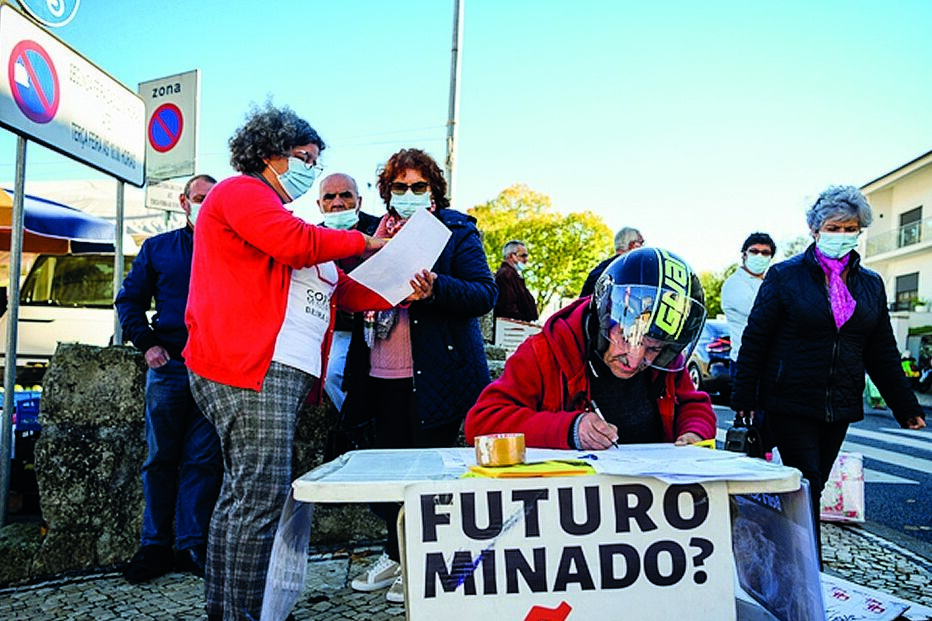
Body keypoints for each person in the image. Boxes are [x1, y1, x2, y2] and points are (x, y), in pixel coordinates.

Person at [183, 103, 432, 621]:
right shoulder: (242, 193)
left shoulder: (279, 216)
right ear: (270, 153)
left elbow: (343, 289)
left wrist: (400, 286)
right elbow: (296, 246)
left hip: (279, 373)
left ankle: (233, 609)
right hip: (252, 367)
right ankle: (242, 614)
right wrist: (367, 239)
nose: (311, 170)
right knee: (257, 499)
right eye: (305, 158)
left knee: (249, 497)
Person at [731, 185, 926, 561]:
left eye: (849, 227)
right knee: (808, 481)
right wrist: (744, 399)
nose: (841, 235)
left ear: (859, 231)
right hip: (789, 398)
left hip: (840, 403)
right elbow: (756, 339)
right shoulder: (785, 277)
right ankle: (810, 569)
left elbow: (881, 349)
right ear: (815, 230)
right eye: (833, 227)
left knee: (809, 484)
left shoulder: (870, 284)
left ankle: (787, 559)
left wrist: (905, 406)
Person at [344, 148, 497, 604]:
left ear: (434, 190)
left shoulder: (455, 230)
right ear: (386, 192)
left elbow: (483, 293)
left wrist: (434, 290)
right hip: (379, 373)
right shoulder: (373, 234)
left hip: (437, 374)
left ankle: (418, 561)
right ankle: (395, 553)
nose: (408, 194)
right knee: (388, 473)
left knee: (427, 475)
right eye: (399, 187)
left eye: (418, 186)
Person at [466, 247, 715, 451]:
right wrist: (569, 430)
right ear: (603, 316)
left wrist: (693, 434)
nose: (635, 359)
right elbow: (482, 422)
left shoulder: (665, 361)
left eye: (653, 348)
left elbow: (694, 406)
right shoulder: (544, 350)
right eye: (627, 336)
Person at [115, 174, 222, 583]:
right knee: (160, 458)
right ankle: (154, 545)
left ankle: (192, 545)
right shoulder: (158, 248)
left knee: (204, 460)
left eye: (212, 199)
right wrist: (146, 343)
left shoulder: (233, 249)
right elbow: (129, 299)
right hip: (170, 366)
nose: (205, 205)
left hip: (215, 369)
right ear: (184, 201)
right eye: (199, 198)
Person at [316, 173, 380, 414]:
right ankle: (357, 420)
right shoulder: (313, 237)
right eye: (329, 197)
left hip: (383, 324)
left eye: (345, 195)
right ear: (320, 205)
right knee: (332, 374)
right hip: (338, 329)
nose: (337, 202)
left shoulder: (380, 229)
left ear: (359, 201)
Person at [721, 232, 776, 450]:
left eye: (765, 253)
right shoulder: (734, 284)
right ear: (743, 255)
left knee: (771, 429)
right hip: (747, 365)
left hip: (770, 365)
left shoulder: (771, 282)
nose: (759, 256)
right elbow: (768, 313)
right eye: (754, 251)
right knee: (755, 428)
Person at [579, 226, 644, 297]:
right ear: (632, 245)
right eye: (641, 243)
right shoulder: (630, 269)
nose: (643, 247)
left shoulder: (599, 269)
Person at [493, 239, 538, 322]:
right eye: (523, 255)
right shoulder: (506, 275)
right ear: (511, 256)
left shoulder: (512, 275)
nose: (526, 259)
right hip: (512, 329)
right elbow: (507, 308)